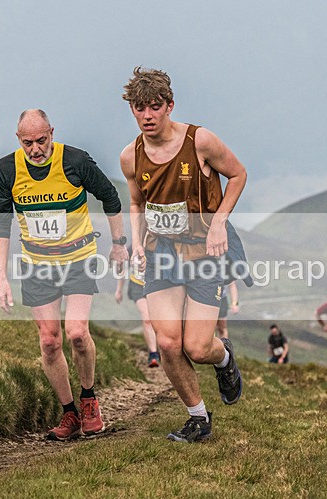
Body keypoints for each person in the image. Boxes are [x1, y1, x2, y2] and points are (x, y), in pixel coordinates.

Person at [119, 66, 247, 443]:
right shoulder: (131, 157)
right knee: (169, 342)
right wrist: (137, 242)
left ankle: (224, 359)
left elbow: (238, 175)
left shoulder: (200, 141)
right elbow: (137, 204)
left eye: (154, 107)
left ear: (169, 105)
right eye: (139, 108)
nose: (147, 115)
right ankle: (198, 418)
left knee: (197, 346)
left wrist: (220, 221)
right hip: (162, 253)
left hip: (205, 250)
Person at [0, 109, 128, 441]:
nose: (36, 148)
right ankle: (69, 414)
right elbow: (1, 225)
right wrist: (1, 276)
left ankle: (89, 400)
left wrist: (119, 245)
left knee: (77, 334)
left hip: (78, 258)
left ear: (52, 132)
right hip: (37, 264)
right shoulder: (7, 169)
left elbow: (111, 197)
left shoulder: (76, 161)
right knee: (50, 342)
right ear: (18, 139)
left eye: (42, 140)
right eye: (28, 143)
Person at [115, 246, 160, 367]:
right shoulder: (132, 248)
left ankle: (163, 348)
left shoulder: (159, 244)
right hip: (138, 286)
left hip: (157, 287)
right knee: (147, 318)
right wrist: (119, 290)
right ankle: (153, 353)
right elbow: (123, 270)